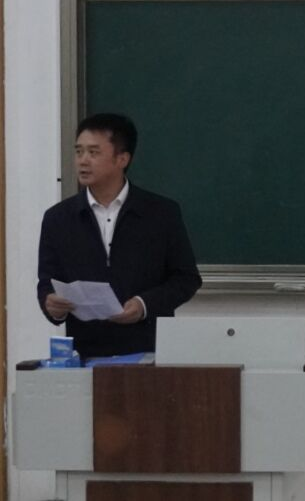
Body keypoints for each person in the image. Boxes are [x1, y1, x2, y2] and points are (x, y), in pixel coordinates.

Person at [37, 113, 202, 358]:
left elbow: (186, 279)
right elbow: (47, 282)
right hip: (85, 353)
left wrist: (143, 305)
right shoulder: (58, 218)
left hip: (149, 350)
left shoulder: (160, 213)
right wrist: (52, 305)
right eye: (79, 152)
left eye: (93, 153)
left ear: (122, 159)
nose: (83, 161)